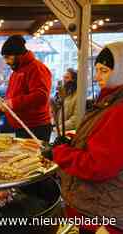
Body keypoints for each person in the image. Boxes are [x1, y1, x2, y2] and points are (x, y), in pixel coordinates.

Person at [53, 42, 123, 234]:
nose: (98, 77)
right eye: (97, 70)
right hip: (99, 205)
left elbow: (98, 165)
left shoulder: (118, 110)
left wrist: (60, 153)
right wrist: (74, 142)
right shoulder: (109, 102)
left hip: (103, 214)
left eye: (105, 70)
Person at [0, 35, 52, 142]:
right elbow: (13, 96)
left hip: (35, 128)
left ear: (18, 55)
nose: (6, 62)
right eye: (5, 58)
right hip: (21, 127)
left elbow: (41, 96)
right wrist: (3, 106)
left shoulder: (36, 68)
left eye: (8, 57)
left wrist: (12, 103)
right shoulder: (16, 71)